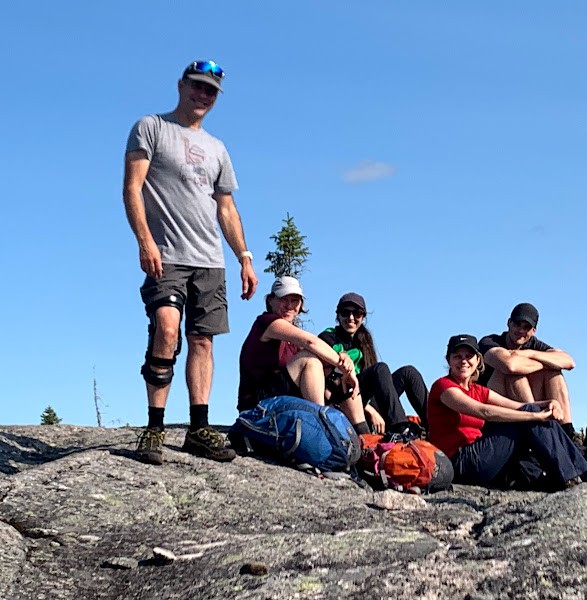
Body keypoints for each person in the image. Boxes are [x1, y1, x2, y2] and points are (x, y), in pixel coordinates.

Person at [123, 60, 258, 465]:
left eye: (211, 91)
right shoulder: (151, 127)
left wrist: (244, 257)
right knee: (166, 328)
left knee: (203, 340)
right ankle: (154, 426)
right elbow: (132, 187)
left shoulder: (218, 148)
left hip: (209, 260)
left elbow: (226, 208)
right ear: (181, 85)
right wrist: (144, 240)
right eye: (197, 86)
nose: (203, 95)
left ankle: (199, 428)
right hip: (166, 254)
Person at [427, 334, 587, 490]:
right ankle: (570, 476)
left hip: (479, 454)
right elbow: (483, 411)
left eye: (469, 356)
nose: (464, 361)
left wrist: (549, 404)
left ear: (477, 360)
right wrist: (534, 416)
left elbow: (517, 406)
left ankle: (576, 472)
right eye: (457, 356)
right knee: (530, 414)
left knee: (531, 410)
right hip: (459, 461)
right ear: (448, 360)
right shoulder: (443, 387)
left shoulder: (477, 390)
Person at [238, 277, 372, 435]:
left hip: (283, 401)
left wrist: (344, 363)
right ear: (270, 300)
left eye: (295, 300)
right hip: (257, 406)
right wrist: (346, 367)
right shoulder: (266, 322)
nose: (289, 306)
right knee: (310, 360)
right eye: (283, 299)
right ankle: (324, 429)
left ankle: (364, 436)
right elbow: (310, 342)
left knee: (336, 375)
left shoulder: (293, 342)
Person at [318, 293, 428, 433]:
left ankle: (435, 425)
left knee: (408, 372)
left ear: (363, 317)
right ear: (338, 316)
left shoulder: (364, 341)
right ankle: (400, 428)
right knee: (380, 369)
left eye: (357, 313)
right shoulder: (328, 337)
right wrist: (369, 409)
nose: (351, 318)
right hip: (344, 398)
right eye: (345, 312)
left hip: (365, 397)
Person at [479, 303, 580, 443]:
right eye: (517, 324)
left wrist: (530, 354)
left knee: (553, 373)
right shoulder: (490, 342)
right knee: (513, 374)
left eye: (526, 327)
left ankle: (567, 433)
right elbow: (510, 366)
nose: (521, 330)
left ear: (533, 331)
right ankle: (537, 429)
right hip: (494, 407)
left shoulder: (534, 346)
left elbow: (569, 362)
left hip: (524, 403)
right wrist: (544, 363)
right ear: (509, 323)